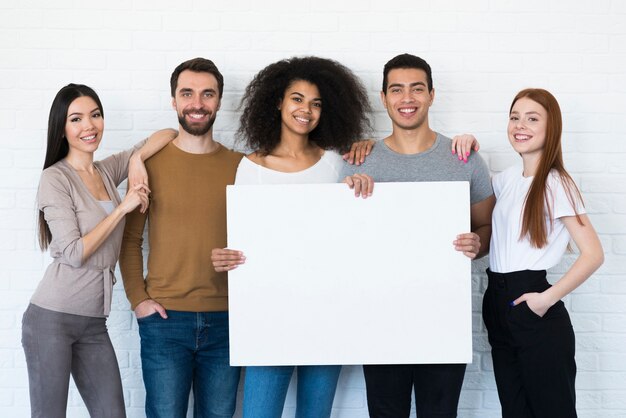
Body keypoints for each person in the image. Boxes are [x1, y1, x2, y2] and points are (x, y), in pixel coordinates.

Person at [209, 56, 372, 418]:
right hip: (268, 318)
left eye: (316, 103)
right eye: (297, 98)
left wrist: (359, 189)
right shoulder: (250, 168)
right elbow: (243, 242)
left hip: (326, 316)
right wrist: (226, 256)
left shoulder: (337, 163)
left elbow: (351, 238)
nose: (306, 110)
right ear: (278, 102)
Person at [341, 53, 496, 418]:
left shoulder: (464, 158)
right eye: (397, 89)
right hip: (379, 321)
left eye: (416, 89)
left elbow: (486, 227)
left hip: (444, 320)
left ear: (431, 95)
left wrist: (478, 243)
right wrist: (348, 199)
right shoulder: (358, 161)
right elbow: (342, 244)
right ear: (383, 98)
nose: (407, 98)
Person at [22, 83, 172, 418]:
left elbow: (168, 134)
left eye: (95, 115)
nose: (89, 125)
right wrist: (123, 208)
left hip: (93, 323)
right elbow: (74, 252)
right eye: (76, 119)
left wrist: (136, 159)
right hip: (51, 320)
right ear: (62, 128)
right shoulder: (55, 178)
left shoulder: (105, 170)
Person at [119, 58, 244, 418]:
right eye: (187, 93)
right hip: (164, 321)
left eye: (208, 94)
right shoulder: (150, 166)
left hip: (228, 320)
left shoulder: (241, 166)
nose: (197, 103)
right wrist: (138, 300)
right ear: (174, 101)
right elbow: (130, 242)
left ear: (219, 101)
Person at [482, 88, 604, 418]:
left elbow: (593, 254)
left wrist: (545, 299)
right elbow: (469, 186)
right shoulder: (505, 180)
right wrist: (464, 145)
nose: (520, 125)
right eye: (514, 117)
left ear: (551, 129)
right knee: (515, 411)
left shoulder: (556, 183)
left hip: (533, 305)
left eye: (532, 118)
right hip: (496, 302)